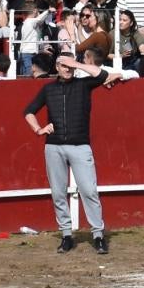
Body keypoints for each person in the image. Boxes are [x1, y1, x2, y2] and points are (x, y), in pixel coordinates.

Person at [25, 53, 119, 254]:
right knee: (58, 192)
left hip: (80, 145)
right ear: (57, 68)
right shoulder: (48, 89)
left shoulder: (83, 85)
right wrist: (38, 130)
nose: (67, 69)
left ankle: (98, 235)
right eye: (63, 65)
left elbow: (102, 75)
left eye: (70, 66)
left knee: (89, 190)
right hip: (54, 147)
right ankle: (66, 235)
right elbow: (29, 111)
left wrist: (76, 63)